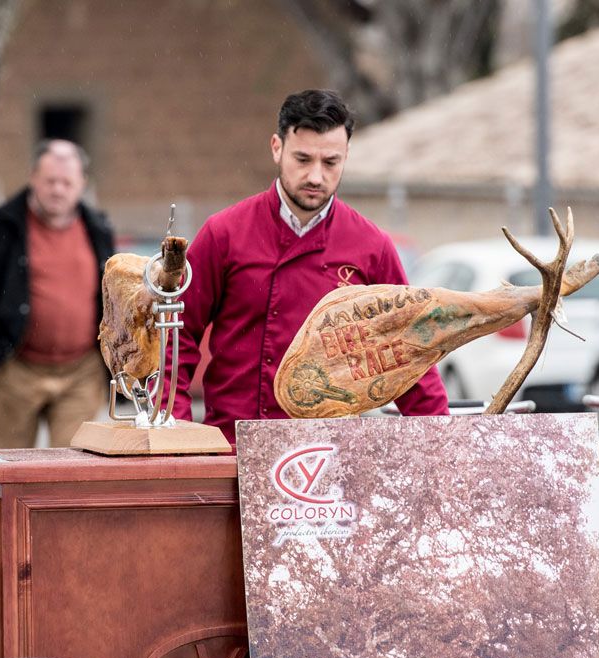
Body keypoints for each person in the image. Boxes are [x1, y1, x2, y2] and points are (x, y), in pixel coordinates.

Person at [167, 89, 449, 444]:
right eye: (303, 159)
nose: (316, 176)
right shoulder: (224, 233)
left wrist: (444, 444)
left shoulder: (371, 246)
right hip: (233, 445)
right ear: (276, 148)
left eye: (330, 162)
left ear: (346, 157)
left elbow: (410, 354)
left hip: (333, 451)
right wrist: (174, 432)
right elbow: (176, 338)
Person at [0, 139, 115, 449]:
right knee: (3, 471)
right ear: (33, 178)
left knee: (72, 472)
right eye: (50, 180)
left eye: (67, 182)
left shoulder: (99, 228)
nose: (57, 190)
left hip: (80, 373)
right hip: (12, 369)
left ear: (82, 184)